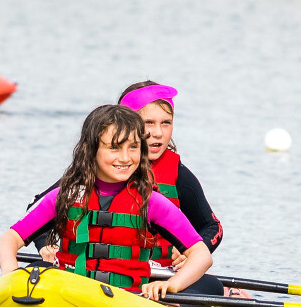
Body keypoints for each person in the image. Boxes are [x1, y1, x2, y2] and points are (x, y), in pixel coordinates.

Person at [0, 104, 217, 300]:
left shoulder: (153, 204)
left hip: (127, 301)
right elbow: (8, 240)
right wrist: (10, 273)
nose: (125, 157)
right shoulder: (66, 195)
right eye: (114, 147)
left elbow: (201, 256)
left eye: (133, 147)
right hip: (69, 295)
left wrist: (171, 285)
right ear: (90, 150)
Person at [31, 81, 222, 272]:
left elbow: (212, 227)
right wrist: (45, 246)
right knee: (35, 269)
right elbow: (38, 209)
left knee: (209, 285)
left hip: (158, 276)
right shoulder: (95, 170)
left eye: (166, 123)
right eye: (148, 123)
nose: (158, 133)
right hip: (87, 271)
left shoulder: (177, 174)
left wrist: (190, 254)